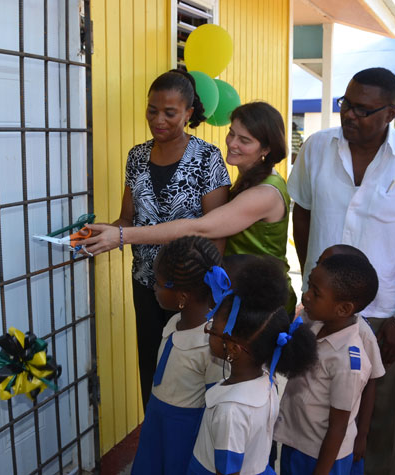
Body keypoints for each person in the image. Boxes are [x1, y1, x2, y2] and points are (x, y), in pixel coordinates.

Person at [288, 67, 395, 474]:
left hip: (383, 318)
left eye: (363, 109)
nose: (350, 115)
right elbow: (302, 214)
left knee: (378, 427)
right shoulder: (317, 148)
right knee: (311, 416)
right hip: (320, 315)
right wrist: (313, 283)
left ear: (391, 112)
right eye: (346, 104)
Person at [84, 101, 298, 314]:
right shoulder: (249, 177)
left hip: (262, 303)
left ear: (267, 148)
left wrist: (122, 236)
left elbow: (200, 228)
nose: (232, 143)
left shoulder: (265, 193)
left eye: (244, 140)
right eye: (231, 133)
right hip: (240, 294)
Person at [109, 69, 231, 408]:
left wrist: (203, 294)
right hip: (147, 285)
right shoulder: (136, 157)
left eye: (169, 112)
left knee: (189, 373)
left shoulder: (207, 159)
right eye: (152, 110)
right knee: (152, 368)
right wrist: (101, 233)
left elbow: (216, 233)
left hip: (192, 292)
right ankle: (156, 441)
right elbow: (127, 220)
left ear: (189, 114)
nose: (157, 119)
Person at [187, 254, 317, 475]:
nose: (207, 331)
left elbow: (228, 471)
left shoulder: (231, 410)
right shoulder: (266, 382)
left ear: (234, 349)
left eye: (213, 331)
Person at [276, 253, 380, 475]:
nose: (307, 295)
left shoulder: (348, 361)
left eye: (316, 292)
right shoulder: (313, 324)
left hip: (322, 456)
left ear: (343, 309)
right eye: (309, 286)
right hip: (296, 440)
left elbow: (338, 426)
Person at [131, 236, 225, 474]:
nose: (153, 286)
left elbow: (215, 405)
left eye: (160, 283)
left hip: (183, 432)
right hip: (156, 419)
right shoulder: (174, 321)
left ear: (182, 297)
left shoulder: (211, 343)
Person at [313, 245, 386, 475]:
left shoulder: (361, 333)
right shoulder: (315, 319)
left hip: (338, 438)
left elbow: (371, 381)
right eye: (319, 263)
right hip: (311, 434)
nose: (317, 270)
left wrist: (362, 434)